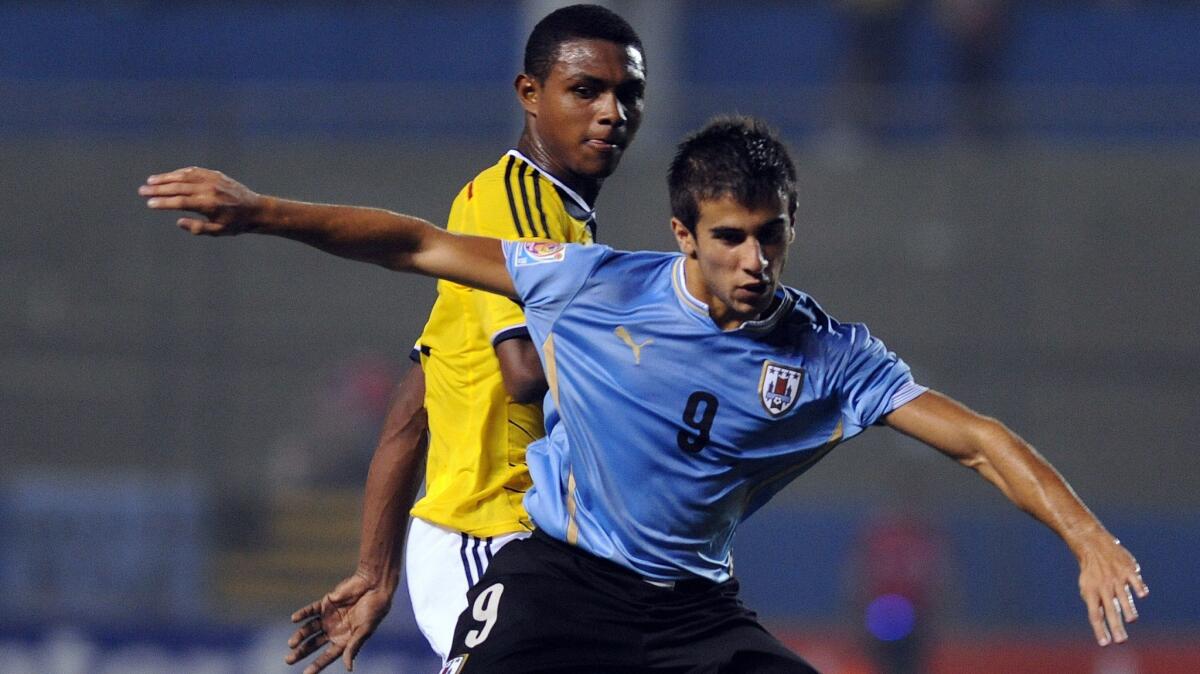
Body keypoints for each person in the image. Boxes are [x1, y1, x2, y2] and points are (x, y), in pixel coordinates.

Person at [141, 116, 1147, 672]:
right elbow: (416, 241)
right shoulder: (591, 284)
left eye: (772, 234)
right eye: (731, 237)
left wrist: (1086, 534)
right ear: (683, 234)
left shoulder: (826, 351)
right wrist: (263, 209)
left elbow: (975, 437)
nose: (755, 260)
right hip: (559, 584)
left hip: (694, 614)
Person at [157, 5, 644, 672]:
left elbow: (413, 407)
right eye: (587, 89)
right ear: (529, 94)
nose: (612, 111)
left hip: (502, 542)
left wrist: (376, 569)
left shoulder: (560, 223)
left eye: (629, 92)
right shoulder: (514, 201)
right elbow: (528, 369)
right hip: (495, 534)